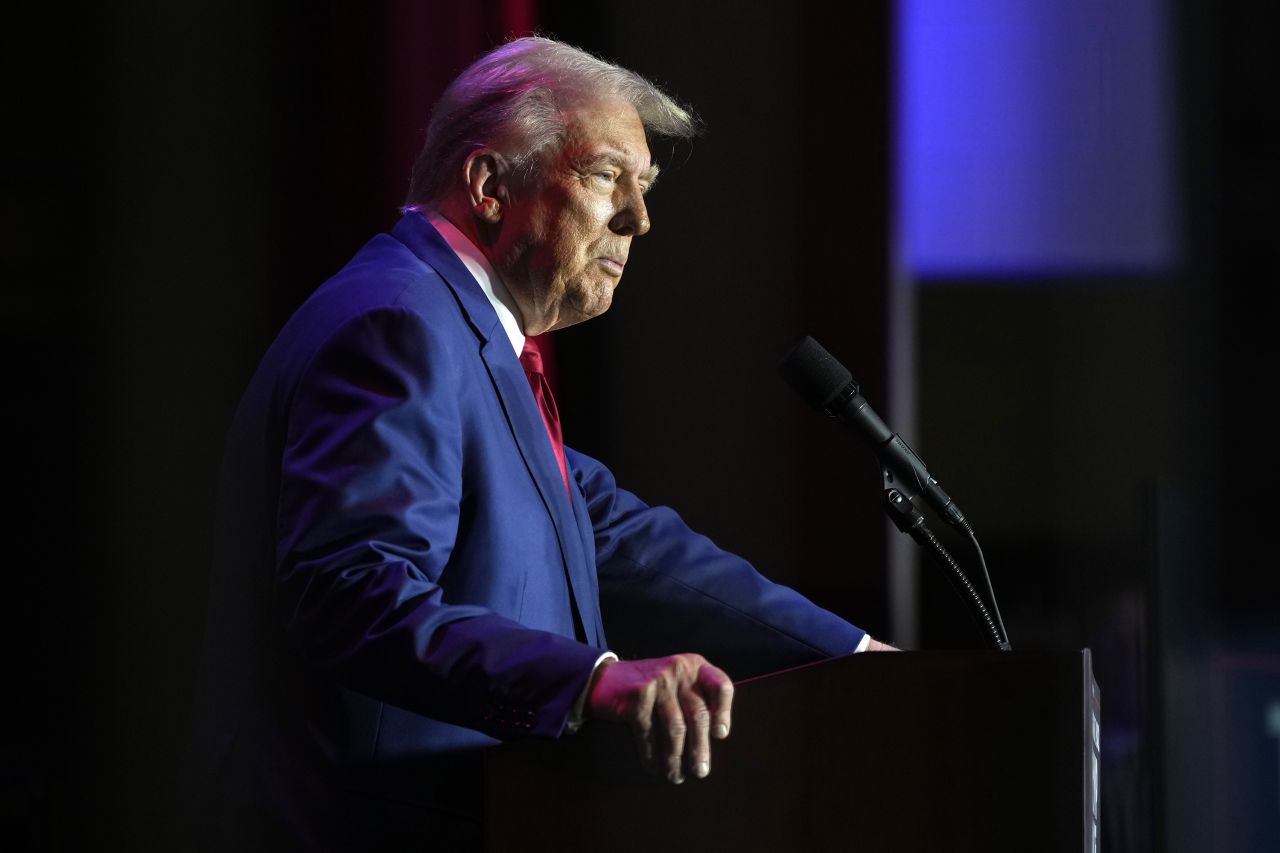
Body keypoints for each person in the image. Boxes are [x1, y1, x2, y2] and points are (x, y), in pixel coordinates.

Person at [190, 36, 893, 850]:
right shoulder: (396, 325)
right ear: (491, 185)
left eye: (645, 187)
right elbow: (351, 589)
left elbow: (625, 538)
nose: (639, 218)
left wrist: (862, 659)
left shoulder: (462, 336)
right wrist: (590, 682)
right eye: (605, 177)